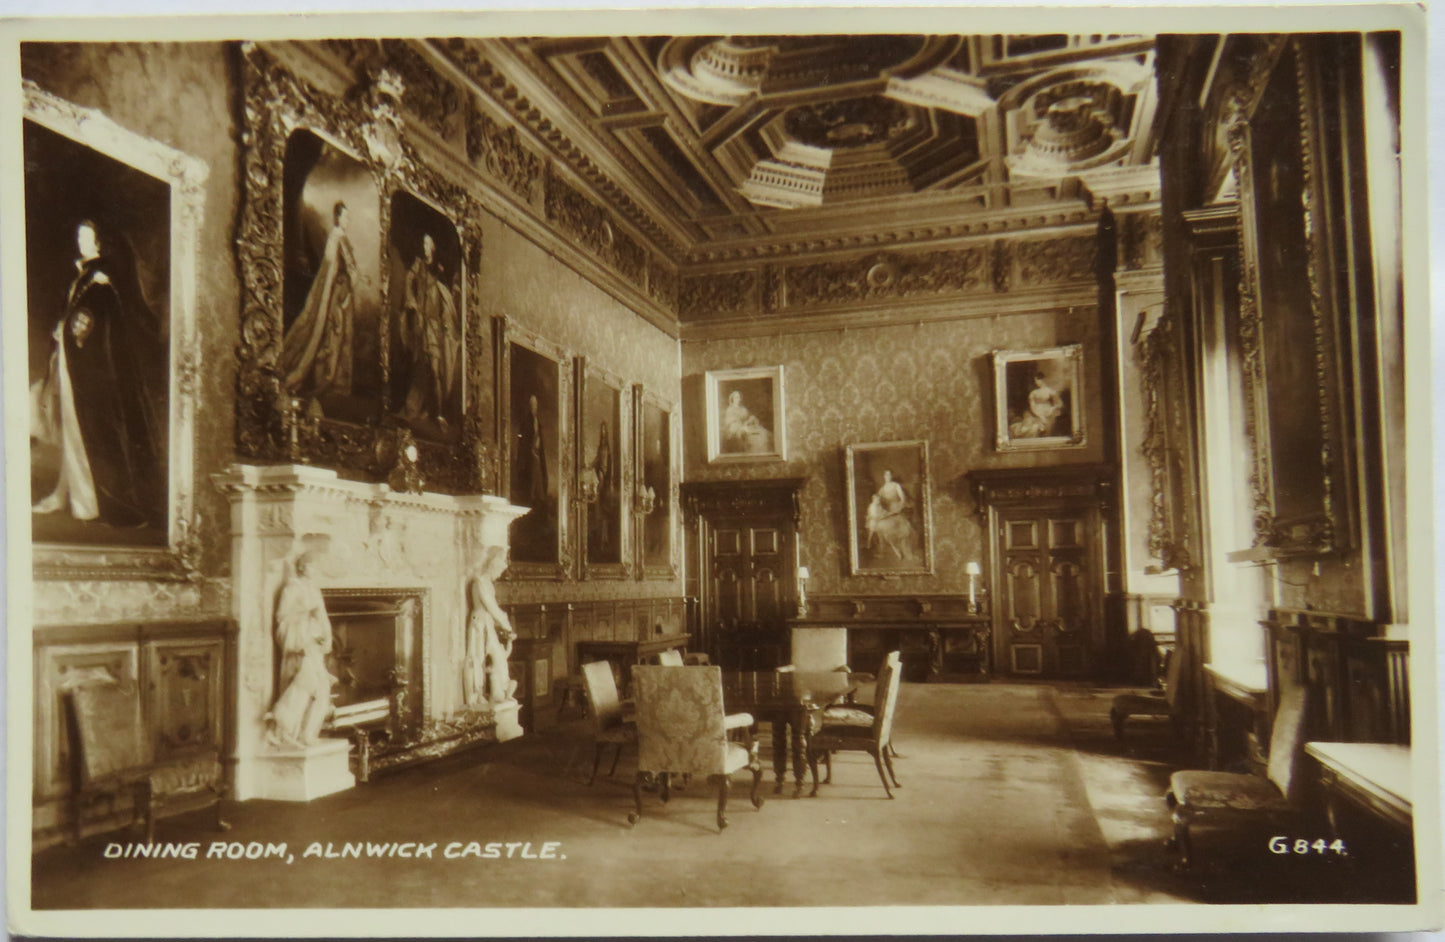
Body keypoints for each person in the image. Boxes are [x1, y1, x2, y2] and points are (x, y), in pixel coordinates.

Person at [31, 217, 166, 528]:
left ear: (98, 241)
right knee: (70, 426)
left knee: (85, 428)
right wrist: (61, 330)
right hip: (70, 362)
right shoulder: (84, 277)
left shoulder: (101, 278)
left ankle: (88, 502)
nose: (81, 241)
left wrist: (68, 330)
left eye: (87, 236)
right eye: (79, 235)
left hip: (88, 371)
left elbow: (95, 326)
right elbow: (75, 318)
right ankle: (67, 492)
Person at [278, 200, 356, 400]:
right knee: (334, 333)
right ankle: (329, 379)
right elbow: (342, 268)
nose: (347, 220)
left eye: (347, 216)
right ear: (337, 218)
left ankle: (334, 380)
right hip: (338, 292)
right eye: (344, 216)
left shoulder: (336, 237)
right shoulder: (338, 237)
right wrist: (346, 288)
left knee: (337, 333)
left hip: (340, 290)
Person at [267, 552, 338, 748]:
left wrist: (328, 637)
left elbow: (322, 616)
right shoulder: (292, 588)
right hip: (300, 644)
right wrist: (307, 613)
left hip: (313, 644)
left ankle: (308, 733)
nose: (315, 570)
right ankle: (283, 729)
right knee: (304, 685)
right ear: (302, 567)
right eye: (312, 566)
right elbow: (282, 617)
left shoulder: (313, 588)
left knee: (322, 690)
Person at [399, 232, 459, 426]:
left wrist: (445, 320)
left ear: (432, 247)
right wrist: (411, 301)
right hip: (422, 325)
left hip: (434, 327)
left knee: (435, 370)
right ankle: (421, 408)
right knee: (420, 367)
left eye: (427, 243)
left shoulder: (438, 270)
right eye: (423, 243)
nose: (424, 246)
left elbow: (444, 297)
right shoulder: (418, 265)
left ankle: (439, 413)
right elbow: (408, 281)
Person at [464, 545, 518, 705]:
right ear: (493, 564)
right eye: (500, 568)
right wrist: (506, 625)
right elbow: (490, 605)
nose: (500, 573)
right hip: (479, 623)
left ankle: (501, 690)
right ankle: (476, 694)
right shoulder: (480, 581)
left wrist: (503, 625)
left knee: (498, 656)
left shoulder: (487, 582)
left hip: (487, 622)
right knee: (477, 658)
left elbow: (493, 609)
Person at [865, 468, 917, 562]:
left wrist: (897, 509)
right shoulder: (882, 489)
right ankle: (887, 551)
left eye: (889, 475)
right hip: (887, 513)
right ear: (884, 476)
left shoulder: (896, 486)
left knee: (902, 529)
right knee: (879, 526)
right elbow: (876, 501)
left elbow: (903, 499)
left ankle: (903, 551)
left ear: (891, 476)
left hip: (896, 511)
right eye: (886, 475)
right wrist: (876, 511)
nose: (887, 477)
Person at [1010, 370, 1064, 439]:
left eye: (1038, 380)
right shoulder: (1033, 393)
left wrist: (1052, 409)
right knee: (1029, 428)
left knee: (1047, 425)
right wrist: (1040, 415)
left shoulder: (1050, 391)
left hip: (1048, 412)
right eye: (1036, 380)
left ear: (1043, 379)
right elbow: (1032, 406)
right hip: (1035, 412)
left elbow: (1059, 403)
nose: (1037, 382)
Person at [516, 394, 548, 506]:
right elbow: (523, 440)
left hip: (537, 453)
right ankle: (532, 496)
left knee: (538, 474)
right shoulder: (527, 421)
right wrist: (531, 447)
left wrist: (538, 444)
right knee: (532, 475)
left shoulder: (537, 421)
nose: (534, 407)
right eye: (532, 405)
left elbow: (539, 436)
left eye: (536, 405)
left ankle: (539, 497)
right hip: (530, 455)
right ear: (530, 406)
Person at [720, 389, 772, 454]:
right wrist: (742, 427)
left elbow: (748, 418)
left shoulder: (743, 409)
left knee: (763, 432)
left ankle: (762, 452)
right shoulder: (730, 410)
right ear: (732, 399)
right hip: (735, 429)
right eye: (736, 397)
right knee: (749, 436)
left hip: (746, 426)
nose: (739, 399)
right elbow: (730, 423)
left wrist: (751, 418)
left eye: (739, 397)